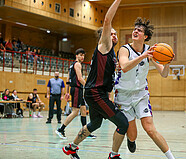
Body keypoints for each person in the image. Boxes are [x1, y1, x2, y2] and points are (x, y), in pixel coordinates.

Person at [62, 0, 129, 159]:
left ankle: (71, 147)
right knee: (123, 123)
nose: (114, 34)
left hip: (96, 93)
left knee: (96, 124)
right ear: (105, 36)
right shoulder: (104, 45)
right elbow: (107, 20)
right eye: (110, 32)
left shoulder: (111, 53)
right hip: (96, 93)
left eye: (115, 33)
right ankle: (113, 155)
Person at [115, 17, 175, 159]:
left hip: (141, 94)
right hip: (123, 96)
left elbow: (164, 74)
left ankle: (171, 157)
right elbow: (124, 67)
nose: (135, 31)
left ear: (145, 36)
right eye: (135, 29)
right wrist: (142, 56)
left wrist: (167, 63)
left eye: (139, 30)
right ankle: (131, 140)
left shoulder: (151, 51)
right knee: (132, 133)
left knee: (149, 129)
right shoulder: (124, 50)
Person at [56, 48, 96, 139]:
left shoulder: (71, 66)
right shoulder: (77, 64)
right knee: (75, 111)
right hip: (77, 89)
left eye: (83, 55)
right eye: (81, 55)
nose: (82, 57)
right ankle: (61, 129)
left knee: (83, 111)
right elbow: (80, 78)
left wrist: (67, 92)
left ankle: (85, 132)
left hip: (76, 89)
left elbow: (67, 80)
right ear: (76, 55)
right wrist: (88, 87)